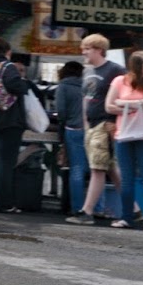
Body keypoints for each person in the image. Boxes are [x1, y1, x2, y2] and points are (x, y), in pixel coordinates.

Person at [105, 50, 143, 231]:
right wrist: (134, 106)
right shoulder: (119, 81)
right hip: (124, 133)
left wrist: (123, 104)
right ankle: (126, 217)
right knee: (126, 178)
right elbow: (108, 105)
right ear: (139, 65)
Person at [66, 33, 123, 226]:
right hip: (91, 124)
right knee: (111, 168)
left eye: (88, 48)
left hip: (105, 123)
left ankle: (87, 211)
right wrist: (85, 123)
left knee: (97, 168)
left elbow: (124, 94)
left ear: (99, 50)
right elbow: (86, 97)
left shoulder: (115, 70)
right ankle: (135, 209)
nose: (84, 52)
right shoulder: (87, 71)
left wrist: (115, 122)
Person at [0, 37, 31, 214]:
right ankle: (5, 203)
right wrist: (23, 85)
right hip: (9, 121)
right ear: (8, 52)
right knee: (5, 163)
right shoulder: (8, 66)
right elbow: (14, 84)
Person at [53, 60, 89, 217]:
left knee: (76, 169)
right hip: (90, 129)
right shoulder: (87, 86)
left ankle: (77, 208)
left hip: (73, 130)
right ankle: (96, 207)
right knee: (95, 171)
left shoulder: (63, 86)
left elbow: (61, 112)